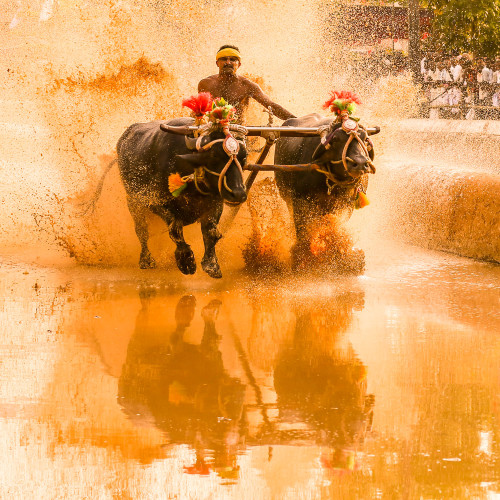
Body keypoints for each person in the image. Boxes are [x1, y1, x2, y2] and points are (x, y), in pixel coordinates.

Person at [198, 44, 296, 124]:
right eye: (224, 59)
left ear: (239, 64)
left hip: (238, 131)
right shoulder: (206, 84)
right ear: (217, 63)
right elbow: (199, 112)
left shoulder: (247, 85)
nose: (228, 62)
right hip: (211, 130)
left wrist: (295, 120)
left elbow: (271, 105)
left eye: (232, 59)